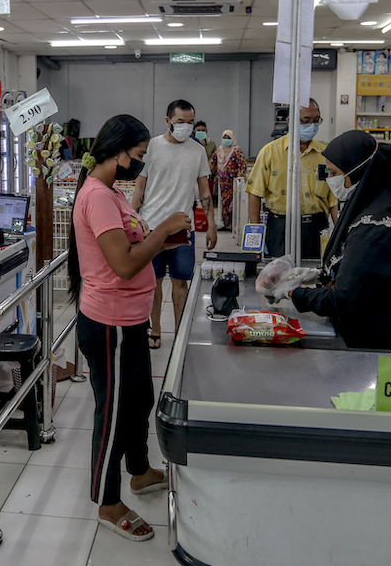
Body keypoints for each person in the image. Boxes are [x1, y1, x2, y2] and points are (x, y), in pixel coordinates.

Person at [68, 114, 190, 542]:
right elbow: (122, 265)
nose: (139, 164)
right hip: (109, 324)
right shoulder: (98, 197)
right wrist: (162, 233)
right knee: (114, 413)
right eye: (137, 156)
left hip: (130, 320)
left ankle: (138, 471)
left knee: (139, 400)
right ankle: (107, 500)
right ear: (117, 152)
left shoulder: (112, 193)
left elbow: (129, 243)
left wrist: (164, 238)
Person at [286, 131, 391, 349]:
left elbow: (344, 300)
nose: (329, 179)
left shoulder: (375, 230)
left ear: (358, 171)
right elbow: (359, 274)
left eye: (333, 172)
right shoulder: (371, 206)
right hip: (368, 333)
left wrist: (292, 292)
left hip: (380, 344)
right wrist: (322, 275)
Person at [132, 100, 217, 349]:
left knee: (181, 282)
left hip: (183, 228)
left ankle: (180, 332)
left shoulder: (197, 150)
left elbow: (204, 191)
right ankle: (155, 330)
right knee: (153, 281)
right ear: (168, 121)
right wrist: (132, 220)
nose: (186, 127)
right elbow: (139, 188)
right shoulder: (152, 148)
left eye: (190, 122)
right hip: (151, 226)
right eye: (181, 122)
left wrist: (211, 223)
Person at [246, 99, 338, 259]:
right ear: (290, 121)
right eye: (306, 120)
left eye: (316, 120)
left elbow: (333, 200)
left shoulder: (326, 155)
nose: (312, 125)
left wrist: (340, 235)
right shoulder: (270, 153)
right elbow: (255, 193)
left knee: (315, 276)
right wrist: (255, 236)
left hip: (315, 228)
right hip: (280, 227)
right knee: (277, 278)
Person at [210, 129, 247, 231]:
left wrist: (240, 177)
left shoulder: (236, 150)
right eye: (224, 138)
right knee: (224, 204)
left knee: (233, 203)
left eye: (228, 138)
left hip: (234, 183)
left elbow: (242, 165)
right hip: (222, 183)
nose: (226, 140)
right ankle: (226, 224)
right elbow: (212, 163)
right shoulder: (219, 150)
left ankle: (233, 225)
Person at [194, 121, 217, 207]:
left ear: (206, 131)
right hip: (194, 173)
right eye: (198, 130)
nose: (200, 132)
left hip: (208, 174)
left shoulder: (211, 143)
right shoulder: (191, 143)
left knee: (207, 194)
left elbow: (215, 158)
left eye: (203, 130)